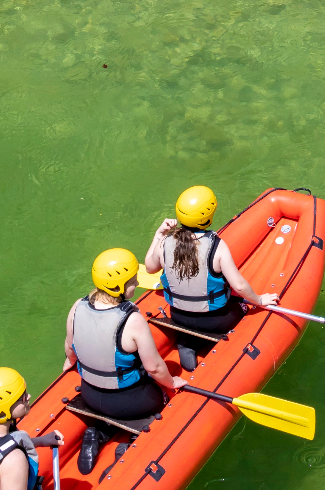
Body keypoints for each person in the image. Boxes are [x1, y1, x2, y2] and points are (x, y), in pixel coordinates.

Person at [64, 248, 187, 474]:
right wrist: (172, 383)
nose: (138, 281)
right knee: (161, 397)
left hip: (90, 394)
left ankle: (98, 432)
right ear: (119, 287)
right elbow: (155, 367)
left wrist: (69, 361)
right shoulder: (132, 319)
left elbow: (69, 347)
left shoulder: (77, 306)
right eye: (133, 279)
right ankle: (131, 444)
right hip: (129, 402)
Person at [143, 186, 278, 372]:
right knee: (242, 306)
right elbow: (238, 285)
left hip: (179, 316)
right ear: (208, 217)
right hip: (216, 320)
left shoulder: (165, 242)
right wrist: (260, 300)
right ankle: (215, 349)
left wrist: (158, 234)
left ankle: (187, 342)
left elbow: (150, 267)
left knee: (191, 321)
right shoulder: (217, 245)